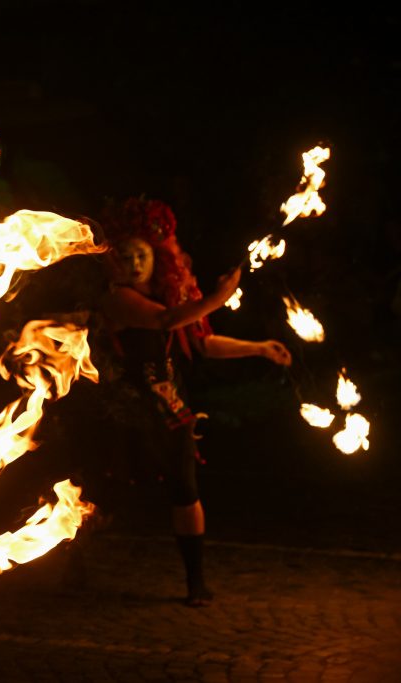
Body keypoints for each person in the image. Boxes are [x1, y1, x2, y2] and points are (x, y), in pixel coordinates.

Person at [96, 196, 292, 607]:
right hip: (122, 409)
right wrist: (220, 296)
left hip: (169, 407)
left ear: (158, 259)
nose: (135, 264)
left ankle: (195, 581)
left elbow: (203, 343)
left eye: (142, 255)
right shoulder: (115, 298)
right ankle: (72, 555)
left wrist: (258, 348)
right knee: (101, 492)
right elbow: (164, 320)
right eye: (126, 256)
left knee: (185, 489)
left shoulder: (174, 299)